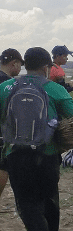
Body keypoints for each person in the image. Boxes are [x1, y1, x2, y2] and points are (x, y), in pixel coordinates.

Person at [0, 47, 73, 231]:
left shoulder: (5, 88)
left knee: (26, 200)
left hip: (15, 153)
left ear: (25, 65)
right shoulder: (55, 89)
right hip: (48, 152)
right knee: (49, 196)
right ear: (47, 67)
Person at [0, 49, 23, 199]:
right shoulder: (6, 83)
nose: (21, 69)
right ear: (14, 63)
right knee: (2, 168)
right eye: (20, 65)